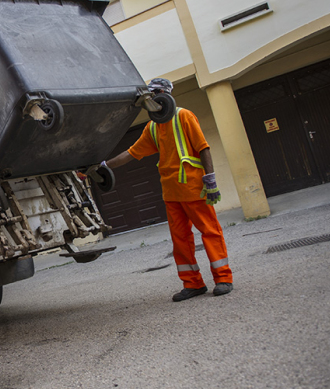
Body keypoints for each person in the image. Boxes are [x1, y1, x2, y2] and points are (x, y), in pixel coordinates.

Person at [97, 78, 233, 302]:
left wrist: (210, 180)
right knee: (180, 240)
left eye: (157, 93)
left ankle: (223, 279)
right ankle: (193, 284)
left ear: (167, 94)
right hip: (171, 192)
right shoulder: (152, 127)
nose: (154, 99)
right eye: (150, 96)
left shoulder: (184, 116)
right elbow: (132, 153)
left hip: (193, 188)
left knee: (210, 232)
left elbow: (203, 148)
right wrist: (104, 165)